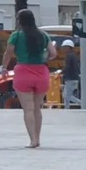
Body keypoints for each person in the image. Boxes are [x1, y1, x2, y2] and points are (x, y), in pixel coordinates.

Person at [5, 8, 54, 148]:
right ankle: (38, 138)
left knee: (28, 109)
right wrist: (45, 58)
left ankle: (32, 139)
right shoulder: (43, 35)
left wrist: (3, 68)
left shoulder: (16, 35)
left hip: (23, 71)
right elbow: (53, 53)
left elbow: (8, 53)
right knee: (37, 108)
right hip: (41, 72)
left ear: (20, 20)